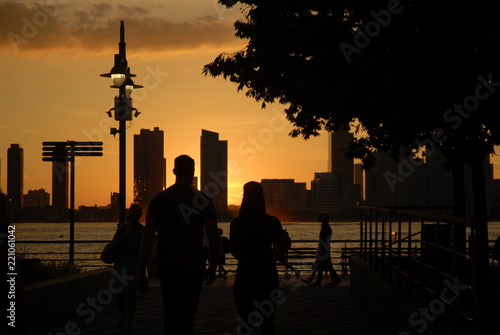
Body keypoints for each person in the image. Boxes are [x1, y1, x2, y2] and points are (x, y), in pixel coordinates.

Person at [137, 155, 220, 335]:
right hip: (193, 266)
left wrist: (141, 270)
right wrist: (212, 266)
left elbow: (147, 237)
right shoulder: (203, 200)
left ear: (174, 171)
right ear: (193, 172)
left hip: (168, 267)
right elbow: (214, 237)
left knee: (170, 311)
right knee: (189, 315)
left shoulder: (159, 200)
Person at [230, 181, 290, 335]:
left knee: (244, 321)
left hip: (245, 274)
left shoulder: (237, 223)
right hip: (267, 273)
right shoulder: (272, 221)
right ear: (262, 198)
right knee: (268, 323)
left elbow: (235, 253)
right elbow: (284, 246)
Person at [111, 203, 145, 331]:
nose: (135, 214)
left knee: (131, 294)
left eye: (138, 212)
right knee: (119, 294)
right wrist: (126, 236)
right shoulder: (122, 227)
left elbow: (143, 250)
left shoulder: (142, 230)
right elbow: (114, 243)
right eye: (133, 211)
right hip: (121, 262)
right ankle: (122, 314)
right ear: (129, 214)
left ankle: (129, 322)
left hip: (133, 263)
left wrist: (142, 269)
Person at [306, 213, 341, 286]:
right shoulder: (325, 227)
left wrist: (324, 250)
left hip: (324, 249)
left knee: (324, 266)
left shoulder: (327, 228)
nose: (322, 219)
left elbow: (326, 240)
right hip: (323, 249)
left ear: (326, 219)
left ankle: (321, 281)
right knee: (324, 266)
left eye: (323, 218)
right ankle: (334, 279)